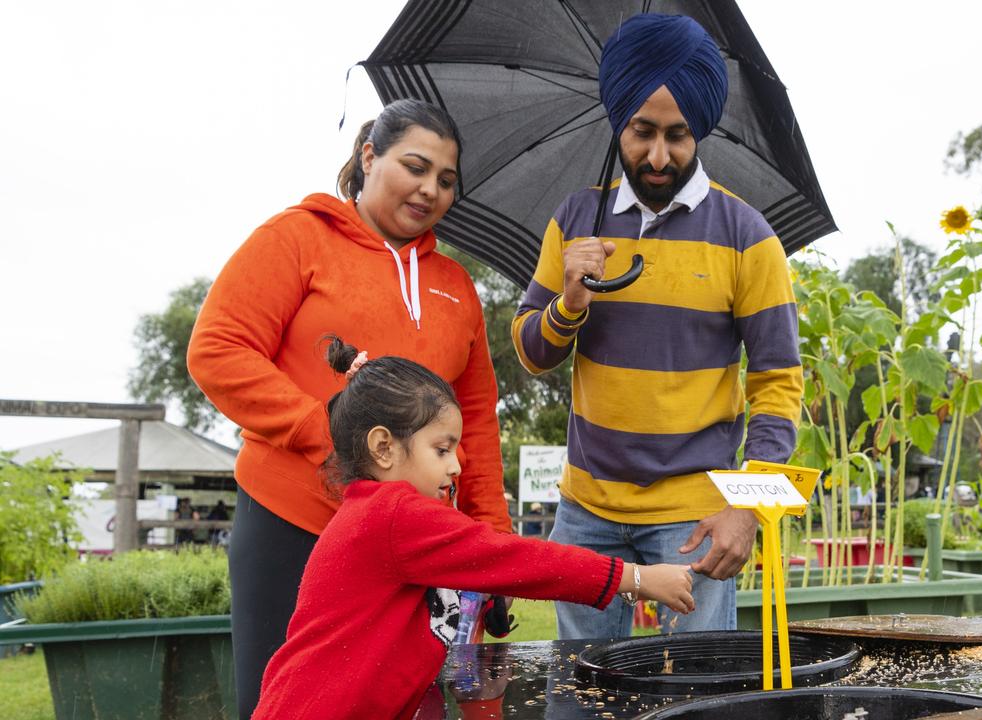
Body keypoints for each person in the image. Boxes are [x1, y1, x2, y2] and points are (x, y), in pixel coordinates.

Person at [188, 99, 511, 719]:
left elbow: (477, 420)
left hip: (406, 542)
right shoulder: (296, 237)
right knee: (284, 704)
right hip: (294, 522)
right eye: (414, 167)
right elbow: (217, 350)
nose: (430, 189)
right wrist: (330, 436)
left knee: (396, 704)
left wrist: (490, 540)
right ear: (369, 157)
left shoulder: (456, 286)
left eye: (446, 180)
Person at [511, 13, 802, 639]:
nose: (659, 155)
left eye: (679, 135)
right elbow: (531, 352)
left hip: (696, 517)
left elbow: (779, 386)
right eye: (641, 132)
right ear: (618, 121)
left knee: (697, 697)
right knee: (586, 692)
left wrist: (745, 509)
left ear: (701, 130)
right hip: (585, 509)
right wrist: (569, 303)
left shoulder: (749, 238)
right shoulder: (576, 219)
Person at [251, 338, 694, 720]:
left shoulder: (382, 517)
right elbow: (518, 559)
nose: (456, 465)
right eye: (441, 450)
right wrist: (636, 577)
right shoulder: (394, 515)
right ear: (384, 447)